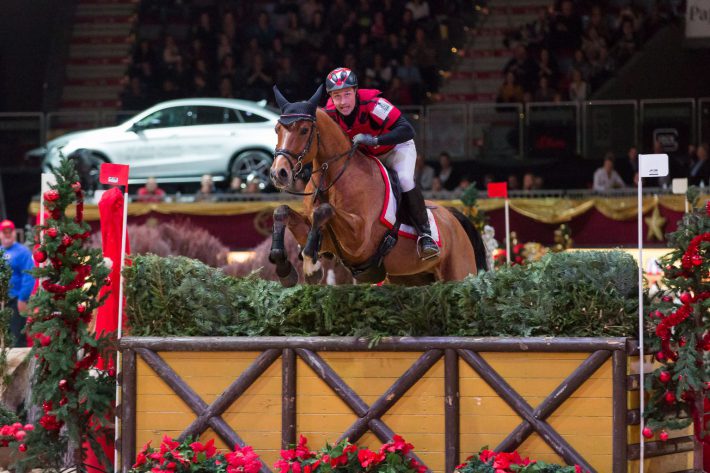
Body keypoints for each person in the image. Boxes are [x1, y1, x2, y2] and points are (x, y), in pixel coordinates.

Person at [324, 67, 439, 259]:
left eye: (346, 94)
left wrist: (374, 140)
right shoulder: (329, 114)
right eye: (337, 96)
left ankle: (426, 234)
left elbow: (407, 130)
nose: (342, 102)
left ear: (355, 91)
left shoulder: (373, 104)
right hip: (369, 157)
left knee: (404, 179)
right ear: (330, 97)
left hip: (396, 149)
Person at [0, 220, 35, 347]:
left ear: (14, 233)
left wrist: (22, 299)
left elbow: (29, 276)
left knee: (17, 337)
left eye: (10, 232)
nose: (7, 235)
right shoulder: (0, 251)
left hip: (16, 301)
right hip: (3, 301)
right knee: (5, 338)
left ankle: (20, 366)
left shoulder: (23, 252)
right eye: (4, 232)